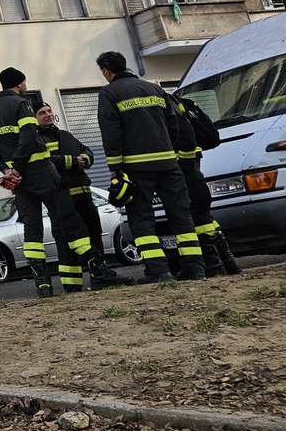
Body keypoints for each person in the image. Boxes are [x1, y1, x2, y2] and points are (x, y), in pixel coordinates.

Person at [0, 67, 122, 298]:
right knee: (70, 221)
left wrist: (7, 170)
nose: (26, 85)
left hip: (21, 183)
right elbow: (28, 138)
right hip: (41, 173)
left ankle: (43, 284)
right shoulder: (21, 104)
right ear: (19, 83)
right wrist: (16, 167)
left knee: (32, 230)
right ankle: (99, 270)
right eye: (24, 82)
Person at [96, 52, 206, 283]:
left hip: (136, 167)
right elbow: (174, 123)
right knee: (181, 215)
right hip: (168, 164)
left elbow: (111, 132)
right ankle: (195, 269)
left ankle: (158, 271)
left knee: (141, 217)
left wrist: (115, 167)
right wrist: (171, 152)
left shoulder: (109, 93)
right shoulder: (155, 89)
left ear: (107, 71)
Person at [35, 103, 103, 292]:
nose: (48, 115)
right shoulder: (36, 139)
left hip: (85, 198)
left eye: (49, 111)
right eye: (42, 113)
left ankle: (100, 276)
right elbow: (46, 161)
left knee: (94, 237)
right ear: (34, 119)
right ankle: (72, 285)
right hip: (63, 201)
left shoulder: (65, 135)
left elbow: (88, 152)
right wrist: (73, 161)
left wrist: (84, 159)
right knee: (67, 243)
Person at [172, 93, 241, 275]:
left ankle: (212, 265)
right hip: (195, 170)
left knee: (196, 219)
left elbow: (184, 135)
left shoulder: (170, 107)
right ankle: (228, 262)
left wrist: (183, 163)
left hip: (185, 171)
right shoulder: (182, 104)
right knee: (205, 218)